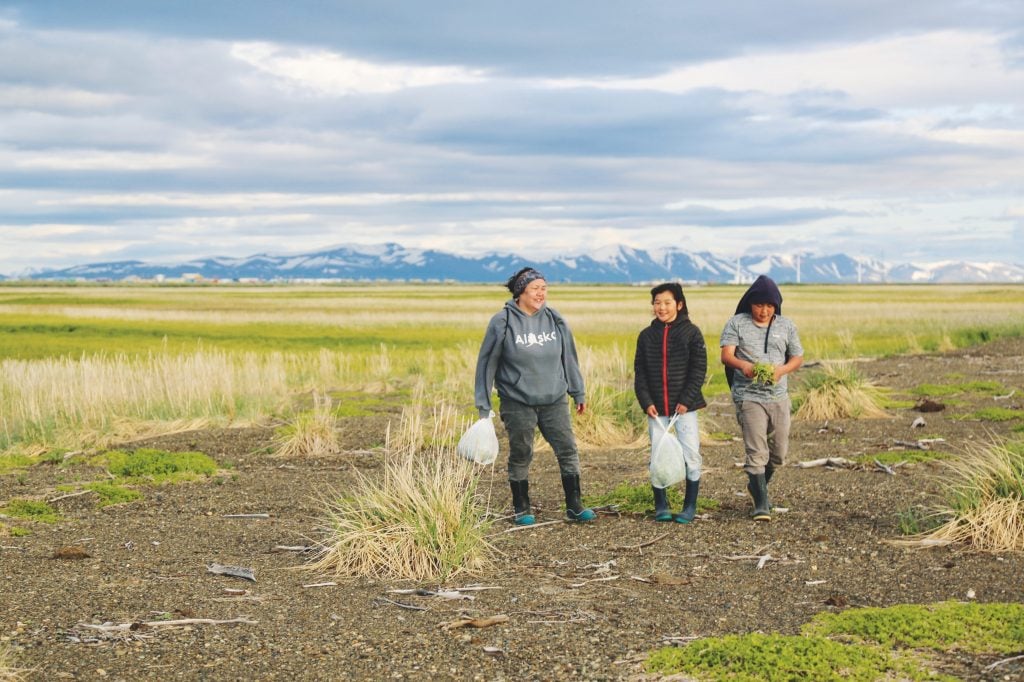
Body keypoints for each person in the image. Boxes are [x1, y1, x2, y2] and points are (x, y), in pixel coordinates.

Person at [474, 267, 596, 525]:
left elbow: (569, 357)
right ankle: (521, 507)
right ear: (521, 292)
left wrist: (578, 391)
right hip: (517, 401)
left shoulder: (554, 318)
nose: (541, 293)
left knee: (568, 450)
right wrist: (483, 406)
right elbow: (487, 364)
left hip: (554, 400)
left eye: (544, 288)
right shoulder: (502, 321)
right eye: (535, 288)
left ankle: (574, 506)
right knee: (521, 453)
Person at [720, 275, 803, 521]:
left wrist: (782, 371)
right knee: (757, 450)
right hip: (749, 395)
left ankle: (758, 486)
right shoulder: (736, 323)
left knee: (778, 453)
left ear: (776, 305)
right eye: (759, 305)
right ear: (750, 303)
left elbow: (797, 357)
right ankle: (761, 503)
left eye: (769, 305)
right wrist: (744, 366)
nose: (764, 310)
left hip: (779, 396)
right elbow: (726, 355)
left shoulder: (786, 326)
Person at [633, 282, 708, 523]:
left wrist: (686, 400)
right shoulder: (646, 336)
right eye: (657, 303)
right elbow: (640, 373)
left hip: (684, 408)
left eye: (667, 302)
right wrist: (646, 402)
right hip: (656, 409)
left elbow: (698, 370)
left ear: (679, 304)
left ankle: (689, 506)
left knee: (691, 453)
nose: (661, 307)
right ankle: (661, 504)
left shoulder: (692, 333)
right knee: (658, 453)